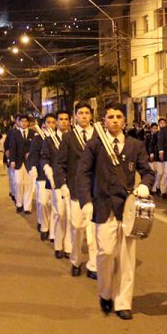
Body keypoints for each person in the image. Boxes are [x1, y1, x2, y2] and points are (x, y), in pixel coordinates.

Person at [77, 102, 156, 320]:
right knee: (105, 254)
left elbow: (148, 172)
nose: (114, 120)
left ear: (124, 120)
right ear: (104, 120)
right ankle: (105, 292)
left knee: (127, 257)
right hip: (102, 207)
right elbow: (82, 174)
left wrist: (145, 185)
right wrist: (86, 201)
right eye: (110, 116)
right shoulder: (95, 145)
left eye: (118, 116)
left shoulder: (135, 145)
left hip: (127, 209)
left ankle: (123, 303)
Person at [56, 103, 97, 278]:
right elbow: (60, 164)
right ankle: (75, 259)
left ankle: (93, 265)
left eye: (87, 113)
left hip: (96, 190)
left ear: (91, 115)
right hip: (75, 190)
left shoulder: (99, 135)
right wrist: (63, 184)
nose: (84, 116)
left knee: (94, 230)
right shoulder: (68, 138)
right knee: (77, 228)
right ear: (75, 116)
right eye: (81, 113)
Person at [42, 110, 72, 259]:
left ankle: (68, 246)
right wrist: (48, 171)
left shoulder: (75, 138)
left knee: (70, 215)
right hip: (56, 181)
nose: (64, 122)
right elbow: (44, 158)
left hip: (72, 181)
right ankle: (58, 244)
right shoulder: (49, 140)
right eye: (61, 119)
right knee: (60, 213)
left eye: (66, 119)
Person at [32, 114, 57, 241]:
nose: (51, 125)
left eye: (53, 122)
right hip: (42, 176)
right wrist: (33, 168)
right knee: (42, 202)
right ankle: (44, 226)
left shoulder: (59, 138)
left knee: (54, 205)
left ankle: (52, 232)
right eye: (48, 122)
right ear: (44, 124)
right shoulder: (38, 139)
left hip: (55, 177)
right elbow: (33, 155)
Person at [9, 115, 34, 214]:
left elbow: (35, 147)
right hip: (18, 162)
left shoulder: (33, 133)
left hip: (29, 163)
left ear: (28, 123)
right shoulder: (15, 133)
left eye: (25, 121)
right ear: (18, 122)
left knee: (28, 184)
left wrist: (31, 154)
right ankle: (19, 204)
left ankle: (27, 207)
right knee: (18, 183)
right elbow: (12, 147)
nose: (24, 123)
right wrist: (12, 160)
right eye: (22, 121)